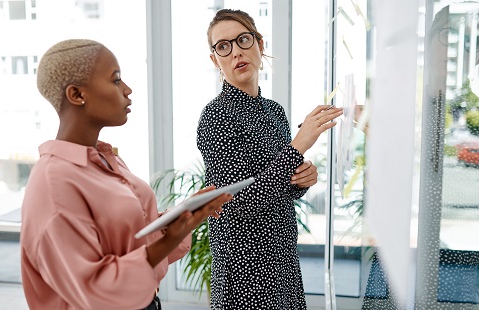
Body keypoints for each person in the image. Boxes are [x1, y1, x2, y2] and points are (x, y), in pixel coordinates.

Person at [20, 39, 232, 310]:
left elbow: (131, 239)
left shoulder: (106, 159)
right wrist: (170, 238)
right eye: (116, 80)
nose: (128, 90)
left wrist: (182, 216)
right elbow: (93, 290)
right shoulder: (53, 183)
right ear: (76, 94)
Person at [196, 9, 343, 309]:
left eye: (243, 40)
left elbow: (280, 185)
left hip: (282, 256)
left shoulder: (274, 111)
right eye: (223, 46)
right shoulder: (215, 117)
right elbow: (240, 201)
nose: (236, 51)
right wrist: (298, 147)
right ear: (215, 60)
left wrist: (303, 179)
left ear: (260, 46)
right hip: (244, 267)